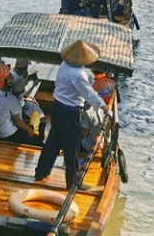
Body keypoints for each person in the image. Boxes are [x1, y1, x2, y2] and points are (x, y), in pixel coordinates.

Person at [35, 40, 109, 189]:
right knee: (71, 146)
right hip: (70, 112)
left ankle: (41, 171)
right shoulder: (79, 74)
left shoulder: (64, 65)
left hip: (57, 107)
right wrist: (103, 105)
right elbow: (88, 94)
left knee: (53, 141)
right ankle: (72, 181)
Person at [0, 70, 41, 145]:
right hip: (6, 134)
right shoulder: (12, 99)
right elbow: (18, 122)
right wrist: (30, 131)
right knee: (33, 138)